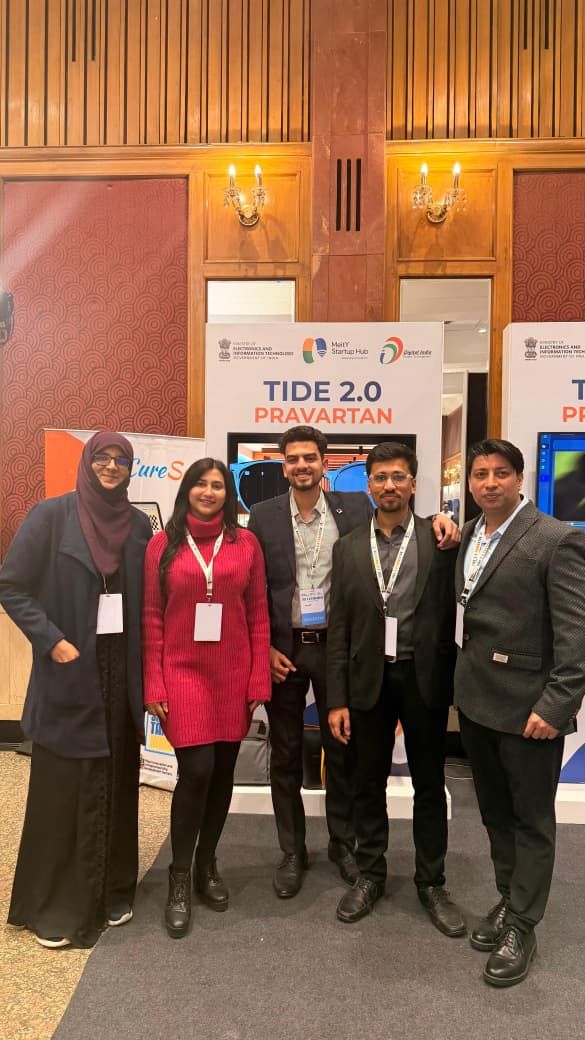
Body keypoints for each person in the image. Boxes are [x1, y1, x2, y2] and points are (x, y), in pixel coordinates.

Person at [248, 426, 458, 900]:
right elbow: (254, 588)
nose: (301, 465)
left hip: (338, 646)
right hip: (284, 648)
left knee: (342, 751)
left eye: (310, 457)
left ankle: (343, 845)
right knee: (284, 754)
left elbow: (401, 521)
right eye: (293, 459)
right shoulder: (262, 517)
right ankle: (292, 850)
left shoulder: (355, 507)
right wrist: (263, 647)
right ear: (284, 466)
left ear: (325, 464)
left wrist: (442, 520)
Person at [0, 431, 152, 948]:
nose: (111, 466)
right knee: (64, 789)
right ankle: (54, 905)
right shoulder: (51, 516)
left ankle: (111, 891)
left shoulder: (138, 526)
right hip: (69, 670)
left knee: (117, 782)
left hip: (119, 675)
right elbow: (11, 585)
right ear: (88, 463)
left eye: (121, 460)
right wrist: (52, 641)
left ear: (130, 469)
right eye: (103, 458)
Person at [454, 438, 585, 987]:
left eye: (501, 473)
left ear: (520, 477)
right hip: (477, 703)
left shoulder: (556, 539)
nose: (489, 483)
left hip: (531, 711)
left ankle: (523, 926)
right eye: (480, 474)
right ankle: (510, 897)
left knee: (531, 821)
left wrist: (556, 705)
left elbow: (576, 635)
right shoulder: (468, 534)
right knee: (494, 814)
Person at [326, 442, 465, 936]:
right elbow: (339, 628)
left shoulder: (441, 540)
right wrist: (336, 699)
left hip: (423, 678)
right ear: (369, 485)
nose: (389, 485)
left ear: (413, 483)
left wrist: (451, 524)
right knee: (367, 782)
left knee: (429, 784)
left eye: (398, 477)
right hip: (368, 681)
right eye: (381, 477)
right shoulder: (347, 547)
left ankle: (432, 882)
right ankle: (371, 874)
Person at [142, 458, 271, 938]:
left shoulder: (245, 543)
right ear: (187, 491)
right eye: (201, 483)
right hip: (182, 672)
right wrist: (153, 683)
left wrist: (259, 679)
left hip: (233, 674)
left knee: (221, 776)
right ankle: (179, 874)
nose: (209, 491)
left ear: (227, 494)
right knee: (196, 771)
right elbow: (152, 617)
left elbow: (258, 613)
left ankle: (207, 864)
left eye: (218, 485)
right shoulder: (162, 545)